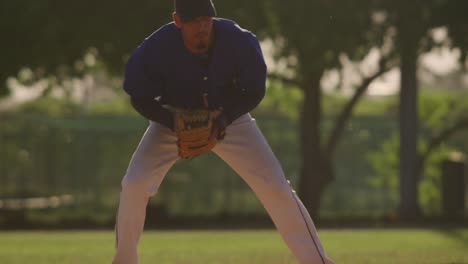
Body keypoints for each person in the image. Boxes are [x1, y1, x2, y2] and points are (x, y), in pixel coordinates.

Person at [112, 0, 335, 263]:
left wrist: (225, 117)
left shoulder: (238, 40)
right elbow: (138, 95)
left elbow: (254, 90)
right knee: (134, 183)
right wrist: (172, 121)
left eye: (206, 20)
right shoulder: (156, 47)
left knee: (274, 185)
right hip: (173, 117)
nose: (202, 26)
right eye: (194, 21)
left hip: (230, 118)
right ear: (177, 20)